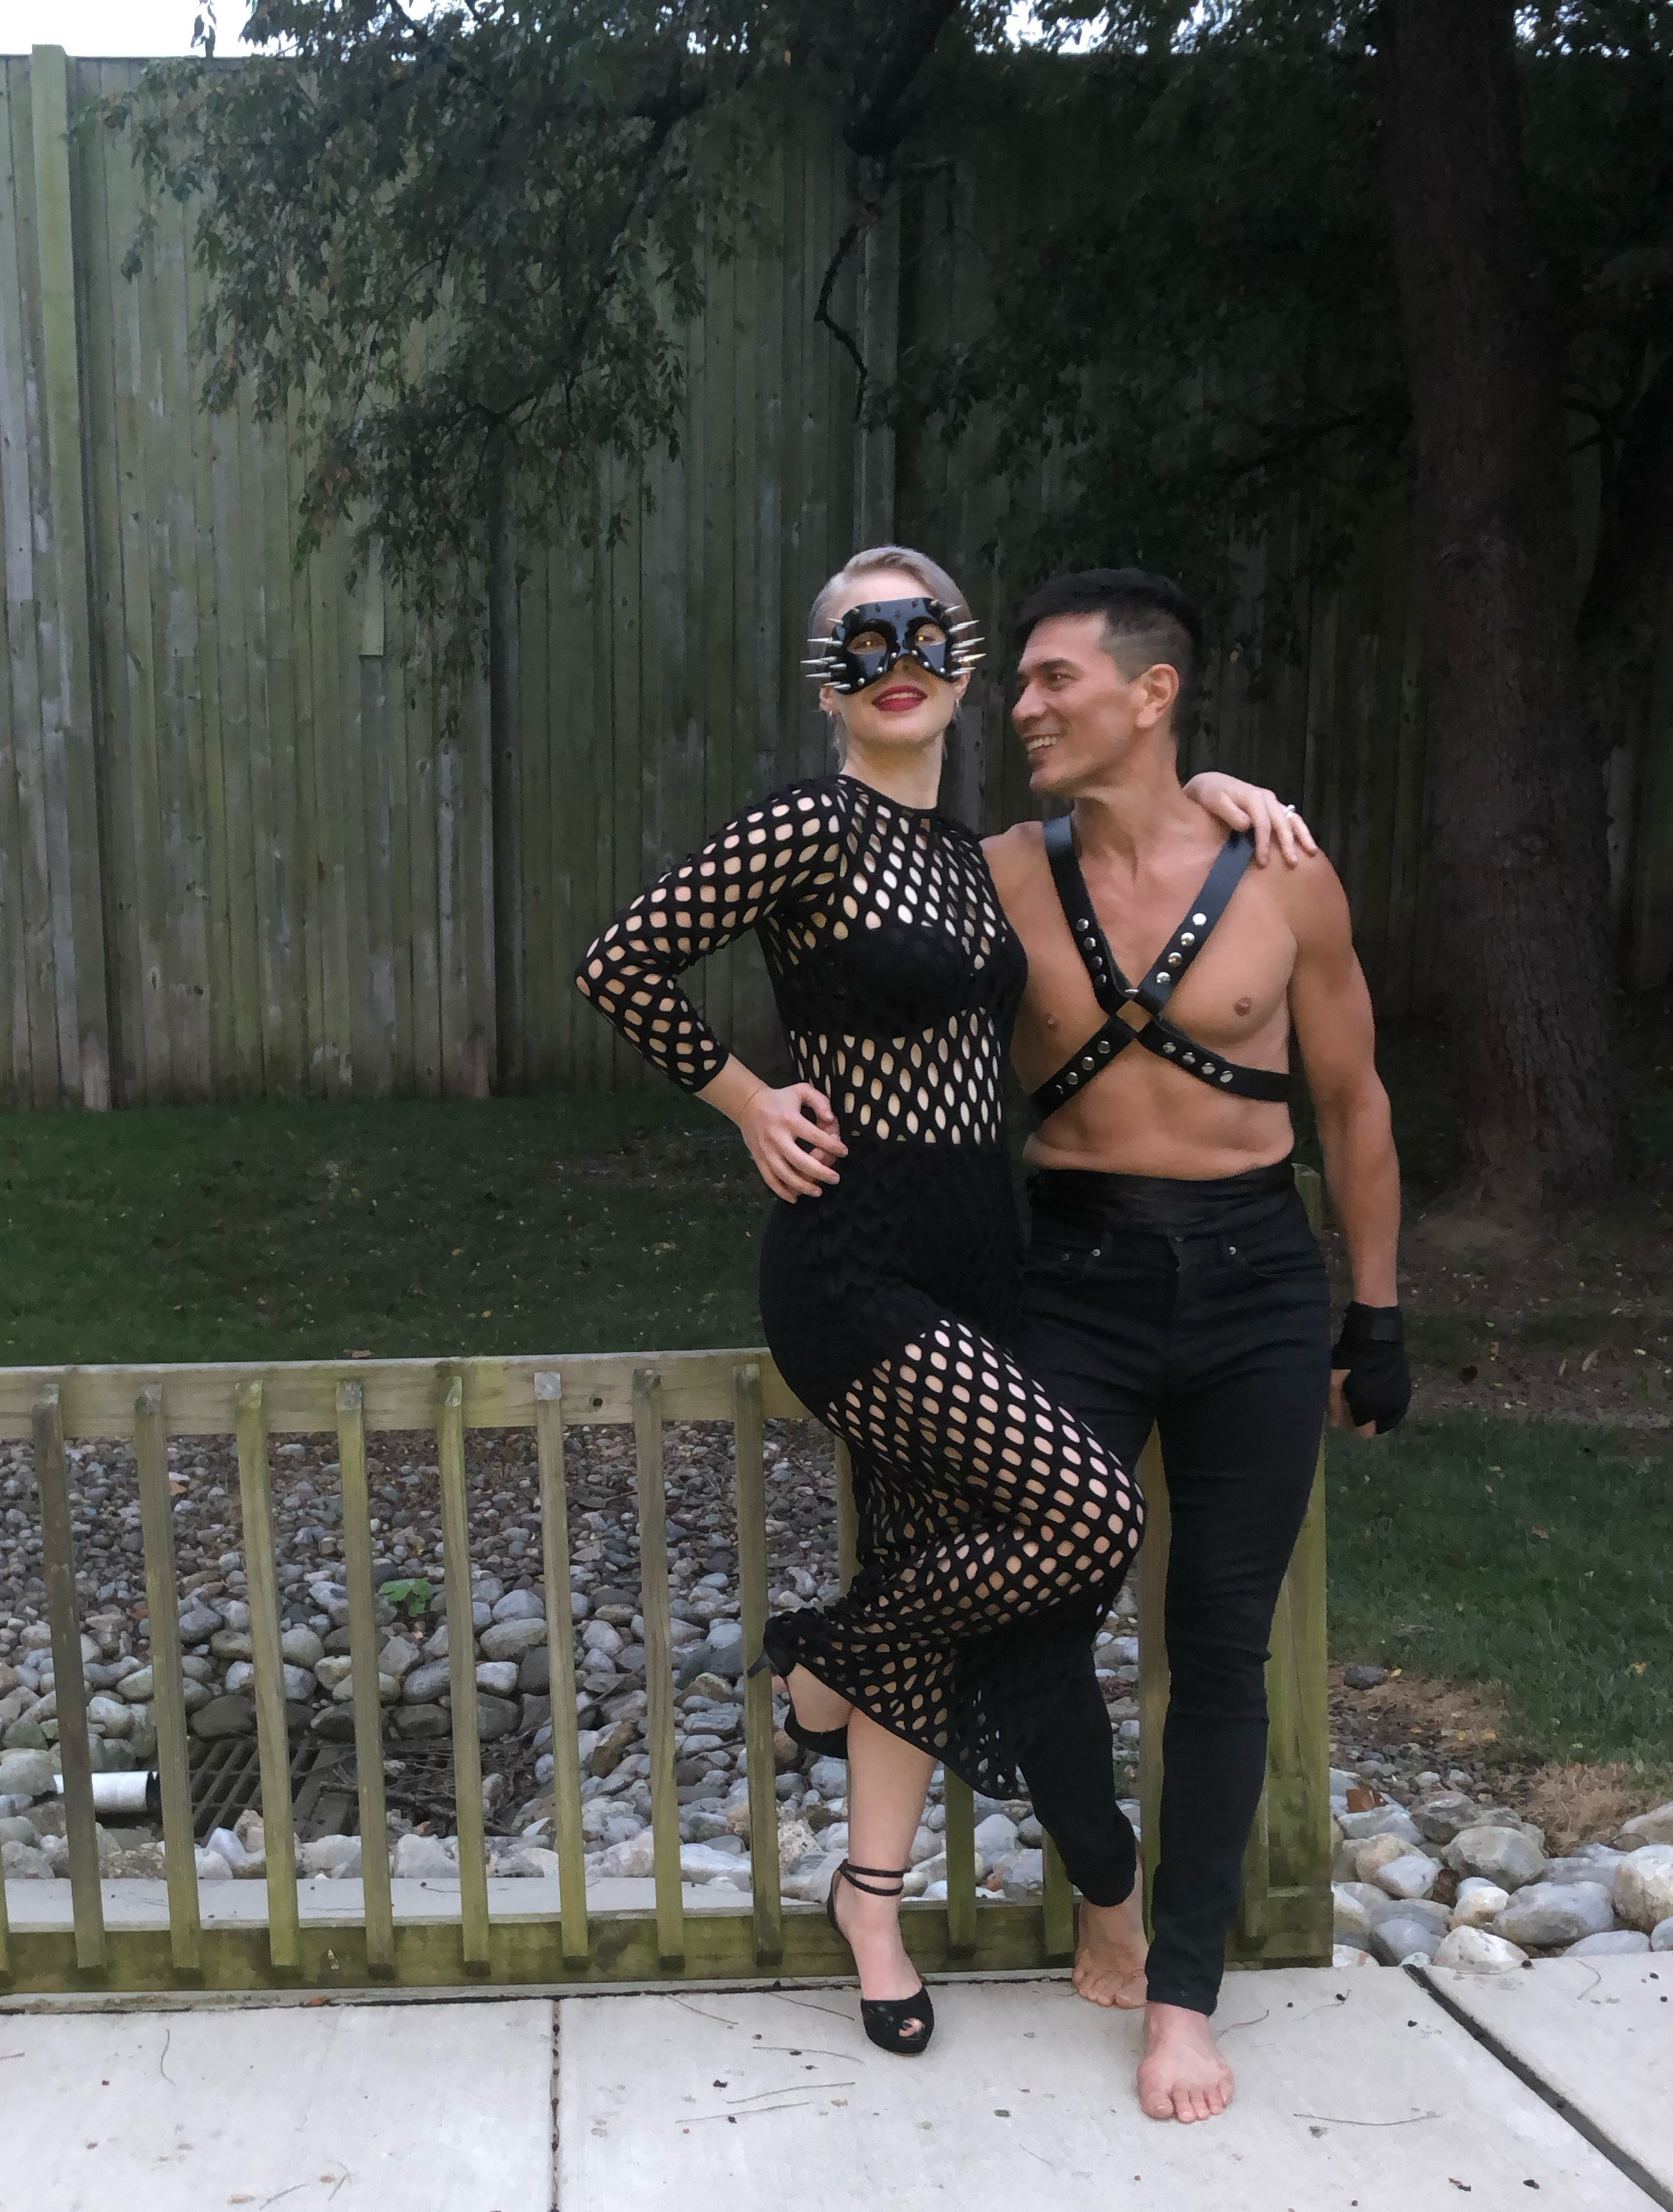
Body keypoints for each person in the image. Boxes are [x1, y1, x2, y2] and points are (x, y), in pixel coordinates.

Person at [576, 545, 1308, 2059]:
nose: (897, 664)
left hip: (984, 1258)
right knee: (1090, 1511)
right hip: (854, 1264)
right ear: (826, 681)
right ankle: (823, 1660)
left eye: (924, 639)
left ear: (964, 671)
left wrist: (1211, 788)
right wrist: (748, 1100)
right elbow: (622, 962)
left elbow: (1129, 826)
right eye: (864, 642)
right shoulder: (809, 825)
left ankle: (871, 1900)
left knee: (932, 1563)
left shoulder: (980, 860)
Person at [984, 566, 1407, 2125]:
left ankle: (1182, 1999)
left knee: (1221, 1644)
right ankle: (1105, 1880)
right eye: (1020, 683)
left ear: (1151, 694)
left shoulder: (1284, 874)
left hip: (1254, 1288)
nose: (1023, 707)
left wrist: (1376, 1313)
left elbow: (1353, 1104)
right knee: (1034, 1618)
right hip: (1071, 1278)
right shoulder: (997, 877)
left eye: (1054, 680)